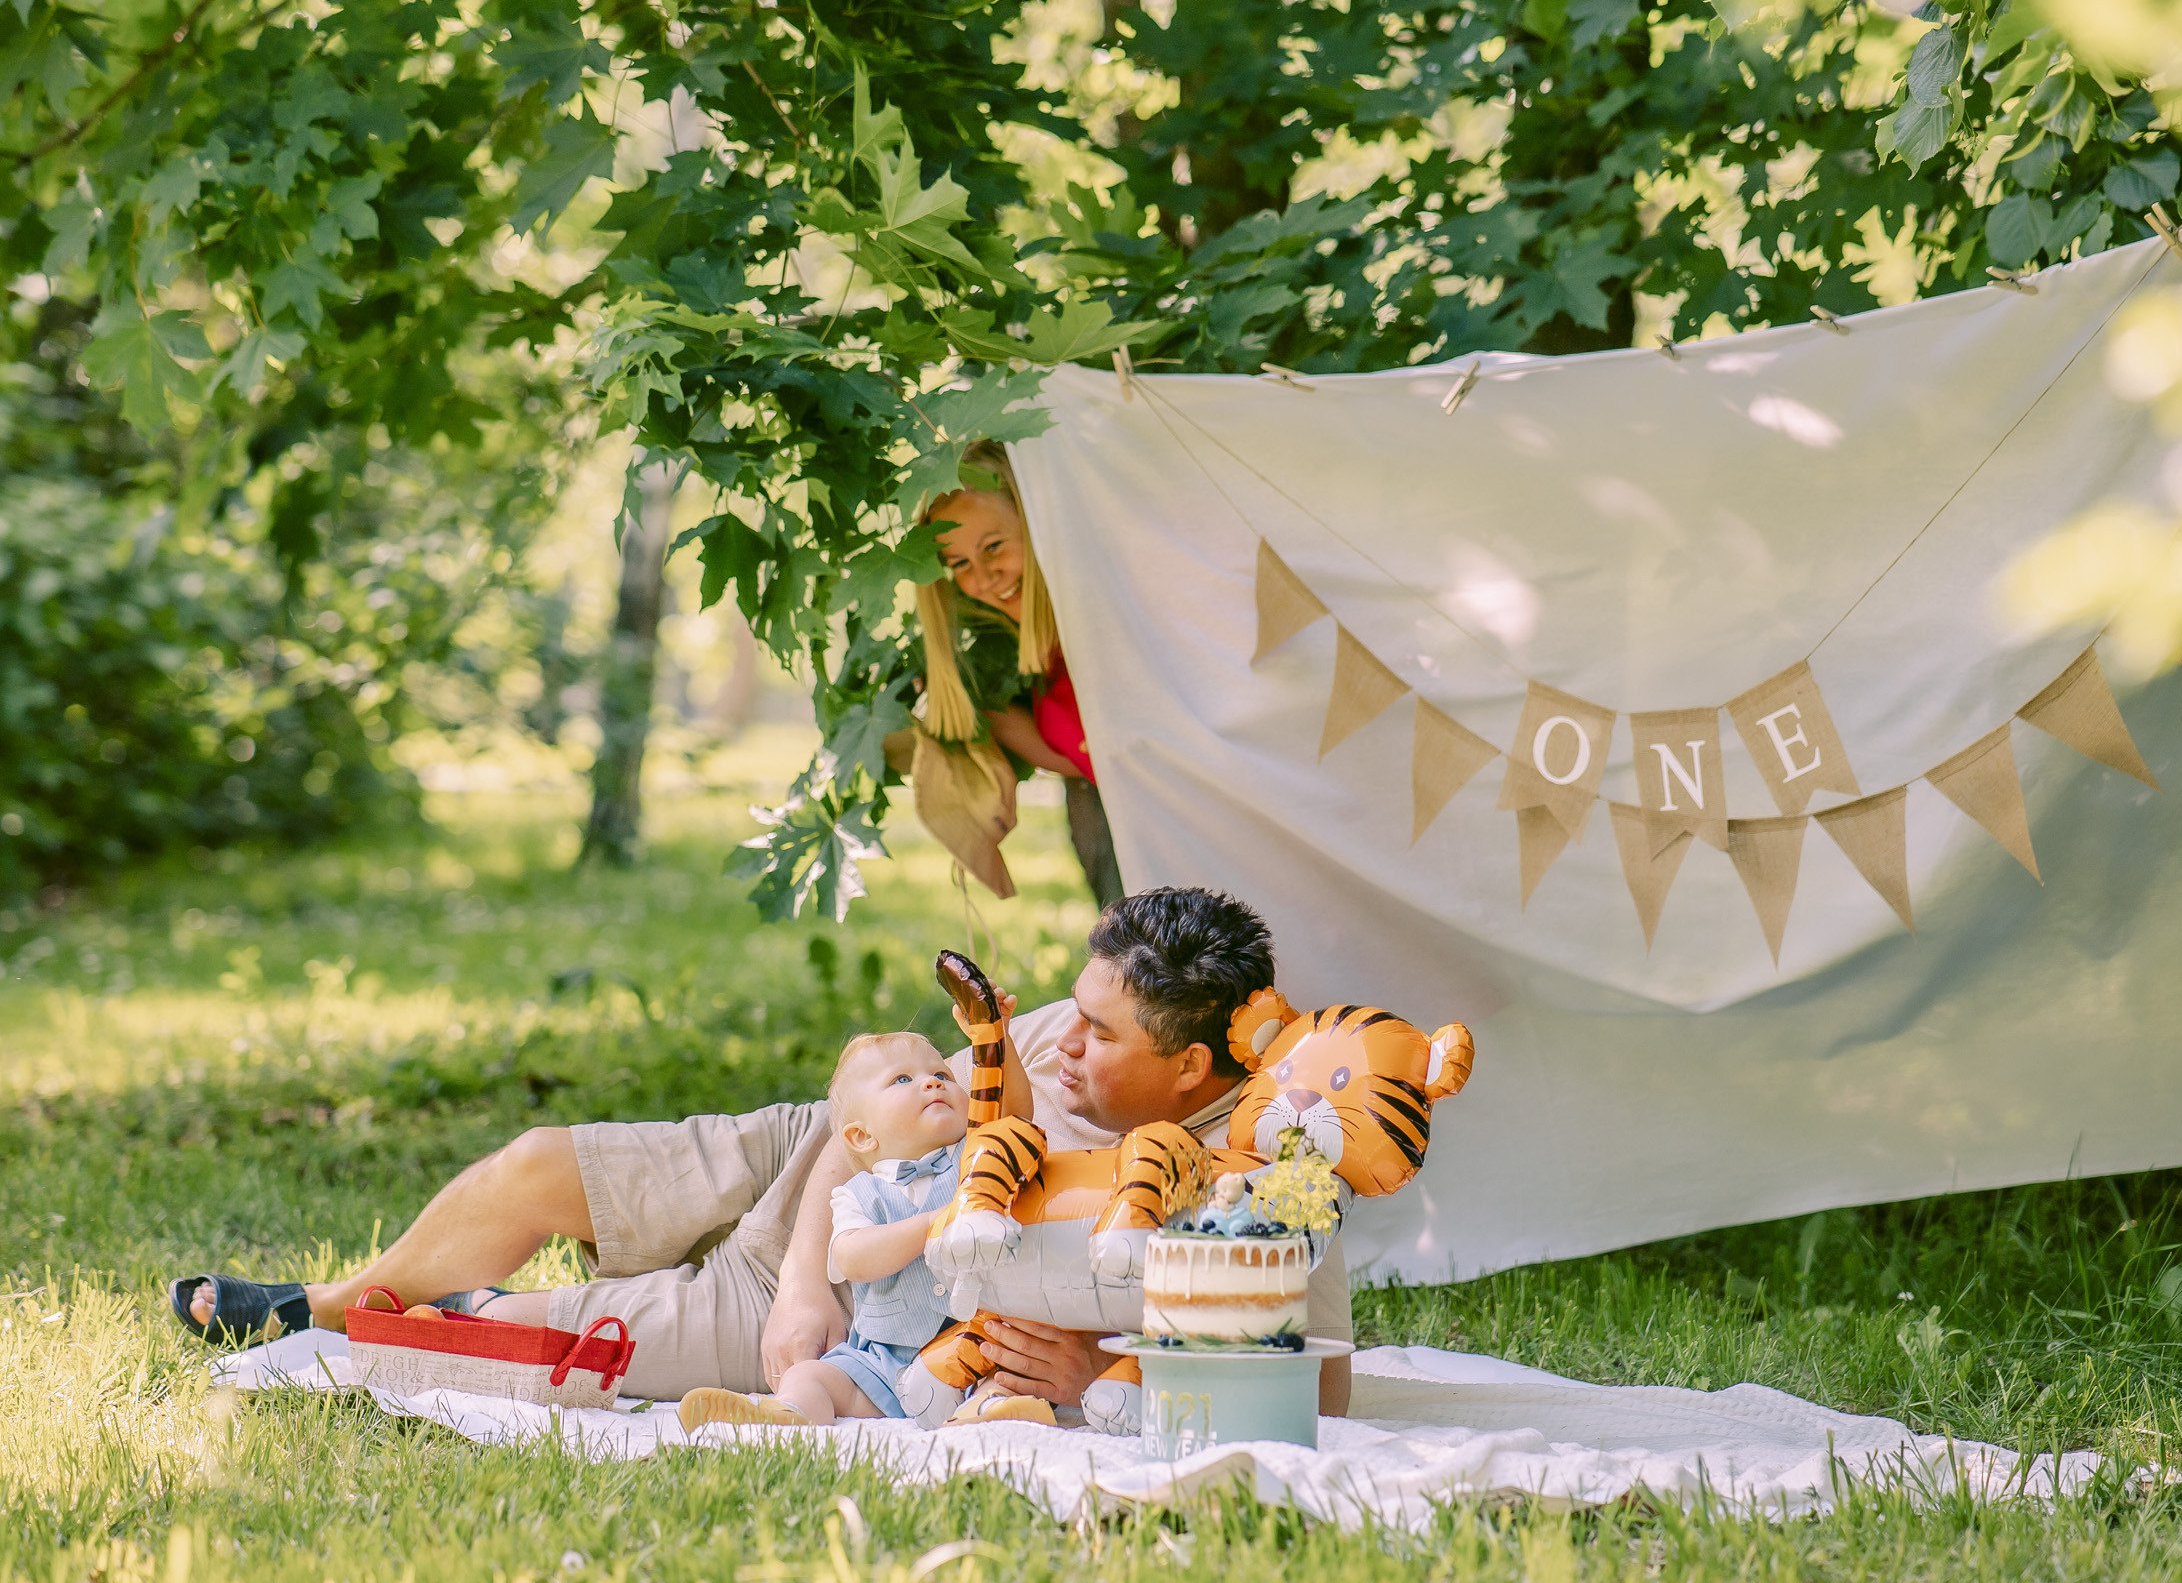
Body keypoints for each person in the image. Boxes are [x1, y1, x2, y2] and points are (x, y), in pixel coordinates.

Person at [168, 889, 1352, 1416]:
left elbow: (1328, 1387)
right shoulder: (1049, 1035)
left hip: (890, 1289)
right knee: (538, 1160)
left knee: (554, 1335)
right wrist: (799, 1278)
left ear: (1194, 1072)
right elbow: (893, 1129)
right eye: (1074, 1013)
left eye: (1102, 1034)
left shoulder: (1270, 1161)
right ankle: (324, 1293)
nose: (1066, 1040)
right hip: (834, 1167)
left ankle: (369, 1322)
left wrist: (1097, 1377)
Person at [675, 1031, 1023, 1430]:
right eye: (902, 1080)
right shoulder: (857, 1194)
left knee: (1005, 1375)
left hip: (976, 1348)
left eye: (942, 1073)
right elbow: (853, 1258)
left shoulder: (978, 1155)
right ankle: (791, 1413)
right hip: (884, 1363)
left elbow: (1015, 1115)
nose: (933, 1081)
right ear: (862, 1136)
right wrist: (932, 1223)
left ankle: (991, 1413)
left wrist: (997, 1034)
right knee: (810, 1375)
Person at [916, 440, 1123, 908]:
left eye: (994, 547)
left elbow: (1117, 763)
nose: (985, 577)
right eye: (960, 565)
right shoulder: (1022, 642)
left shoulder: (1096, 628)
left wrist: (1015, 730)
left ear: (1035, 524)